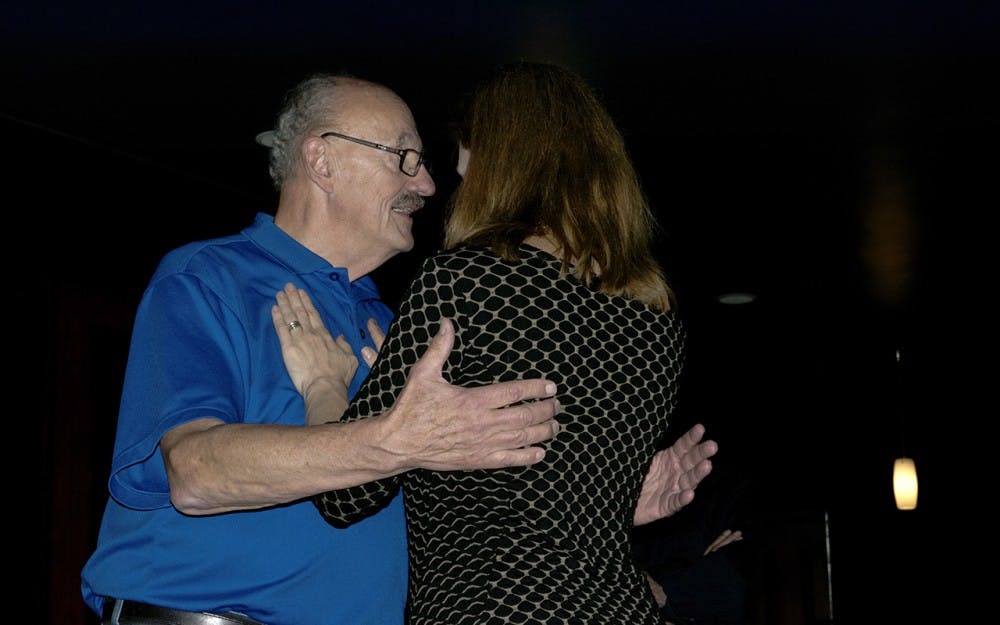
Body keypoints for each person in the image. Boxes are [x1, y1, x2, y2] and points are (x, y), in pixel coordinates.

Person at [80, 73, 565, 625]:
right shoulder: (209, 278)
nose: (427, 184)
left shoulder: (394, 322)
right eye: (404, 156)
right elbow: (195, 473)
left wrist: (588, 503)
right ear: (322, 160)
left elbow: (442, 504)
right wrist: (390, 441)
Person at [276, 61, 719, 625]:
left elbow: (346, 495)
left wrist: (323, 385)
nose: (453, 189)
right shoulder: (656, 321)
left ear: (503, 166)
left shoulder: (465, 281)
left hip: (496, 610)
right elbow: (551, 495)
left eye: (467, 170)